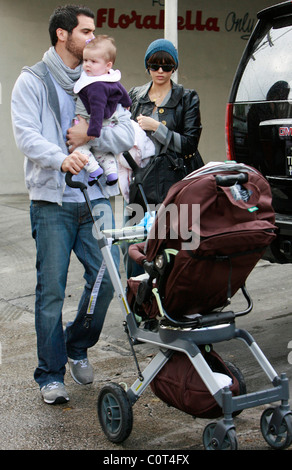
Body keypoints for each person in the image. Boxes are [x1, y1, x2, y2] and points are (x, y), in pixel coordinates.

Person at [11, 5, 135, 405]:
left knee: (107, 277)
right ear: (63, 35)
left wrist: (89, 139)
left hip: (94, 196)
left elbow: (127, 131)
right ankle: (50, 373)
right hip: (52, 201)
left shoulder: (102, 75)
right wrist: (60, 156)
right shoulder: (32, 81)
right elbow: (27, 135)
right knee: (51, 291)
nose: (92, 37)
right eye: (85, 31)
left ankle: (76, 344)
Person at [122, 38, 203, 279]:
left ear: (174, 68)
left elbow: (189, 144)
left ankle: (178, 306)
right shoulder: (135, 96)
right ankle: (139, 307)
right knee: (135, 248)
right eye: (155, 65)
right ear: (147, 65)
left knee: (180, 248)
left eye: (167, 67)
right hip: (142, 184)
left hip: (177, 184)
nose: (160, 71)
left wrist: (157, 127)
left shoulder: (188, 98)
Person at [73, 35, 132, 187]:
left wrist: (92, 131)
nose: (87, 65)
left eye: (93, 61)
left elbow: (97, 109)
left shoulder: (95, 86)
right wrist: (127, 103)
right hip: (111, 120)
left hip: (99, 121)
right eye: (85, 60)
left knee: (80, 147)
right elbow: (121, 91)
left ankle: (94, 170)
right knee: (104, 151)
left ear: (108, 65)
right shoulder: (109, 77)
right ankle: (111, 172)